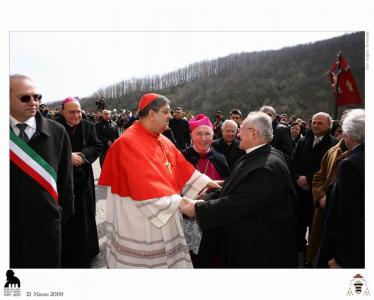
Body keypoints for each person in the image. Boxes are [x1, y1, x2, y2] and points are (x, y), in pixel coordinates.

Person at [98, 93, 221, 268]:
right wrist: (180, 201)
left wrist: (205, 182)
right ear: (151, 113)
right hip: (138, 215)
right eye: (166, 112)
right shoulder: (127, 143)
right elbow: (142, 185)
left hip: (165, 206)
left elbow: (179, 166)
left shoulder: (161, 139)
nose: (170, 116)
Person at [180, 112, 298, 268]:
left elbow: (236, 204)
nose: (237, 133)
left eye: (241, 129)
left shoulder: (264, 168)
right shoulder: (256, 156)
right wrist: (203, 199)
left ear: (253, 133)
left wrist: (197, 208)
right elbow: (231, 186)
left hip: (258, 250)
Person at [9, 75, 74, 268]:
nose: (33, 102)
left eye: (37, 97)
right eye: (25, 98)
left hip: (46, 228)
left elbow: (66, 182)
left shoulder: (57, 131)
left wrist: (58, 215)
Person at [54, 97, 102, 268]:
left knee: (84, 215)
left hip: (83, 180)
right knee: (66, 216)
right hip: (62, 180)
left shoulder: (89, 126)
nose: (76, 115)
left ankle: (87, 251)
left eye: (78, 111)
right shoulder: (54, 127)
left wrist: (81, 156)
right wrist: (68, 157)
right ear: (62, 112)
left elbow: (96, 146)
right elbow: (48, 149)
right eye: (71, 112)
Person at [317, 109, 365, 268]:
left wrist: (341, 257)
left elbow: (350, 215)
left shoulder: (350, 164)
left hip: (347, 253)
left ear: (349, 134)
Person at [181, 114, 230, 266]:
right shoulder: (182, 157)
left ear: (213, 135)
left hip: (213, 217)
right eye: (199, 134)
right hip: (187, 217)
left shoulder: (220, 158)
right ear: (191, 135)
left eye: (207, 133)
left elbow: (228, 189)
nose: (203, 138)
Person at [292, 112, 337, 265]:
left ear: (329, 125)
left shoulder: (333, 144)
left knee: (315, 226)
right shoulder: (304, 141)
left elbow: (326, 170)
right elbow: (294, 160)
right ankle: (297, 250)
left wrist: (309, 179)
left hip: (317, 193)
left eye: (320, 123)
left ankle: (311, 257)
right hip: (300, 190)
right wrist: (298, 177)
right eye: (314, 122)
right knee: (298, 223)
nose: (316, 125)